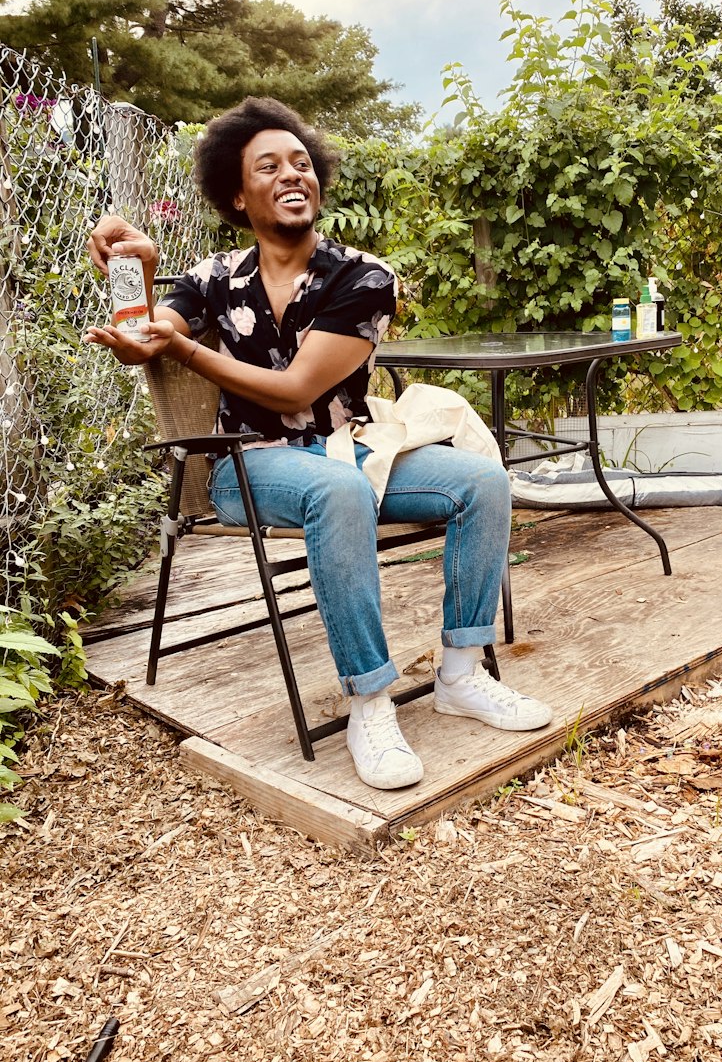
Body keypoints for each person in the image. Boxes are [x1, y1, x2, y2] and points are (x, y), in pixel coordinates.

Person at [85, 96, 551, 790]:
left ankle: (460, 673)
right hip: (250, 465)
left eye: (301, 163)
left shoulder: (362, 277)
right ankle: (369, 701)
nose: (291, 174)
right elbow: (141, 341)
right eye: (268, 166)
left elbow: (299, 389)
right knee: (338, 493)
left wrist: (185, 349)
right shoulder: (215, 277)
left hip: (352, 444)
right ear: (237, 193)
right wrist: (143, 270)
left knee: (479, 481)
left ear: (319, 183)